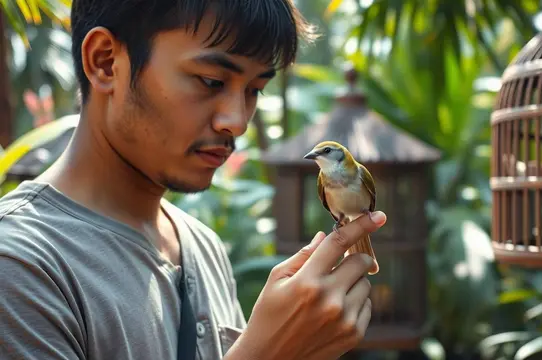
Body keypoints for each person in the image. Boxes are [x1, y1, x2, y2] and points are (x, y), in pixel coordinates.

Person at [0, 0, 387, 359]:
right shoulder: (19, 266)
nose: (237, 121)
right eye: (211, 81)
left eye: (255, 90)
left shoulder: (203, 247)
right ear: (105, 62)